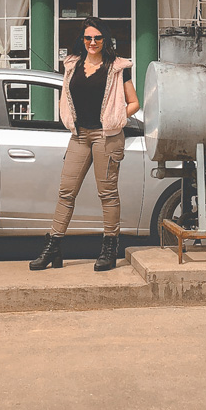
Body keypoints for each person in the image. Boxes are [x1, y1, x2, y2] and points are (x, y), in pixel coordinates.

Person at [29, 16, 140, 272]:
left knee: (107, 194)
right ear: (82, 39)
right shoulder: (72, 65)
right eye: (88, 37)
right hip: (79, 136)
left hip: (106, 137)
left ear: (105, 39)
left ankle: (109, 248)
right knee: (66, 192)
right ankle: (53, 246)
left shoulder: (117, 67)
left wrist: (117, 116)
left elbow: (134, 102)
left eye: (97, 38)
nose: (92, 42)